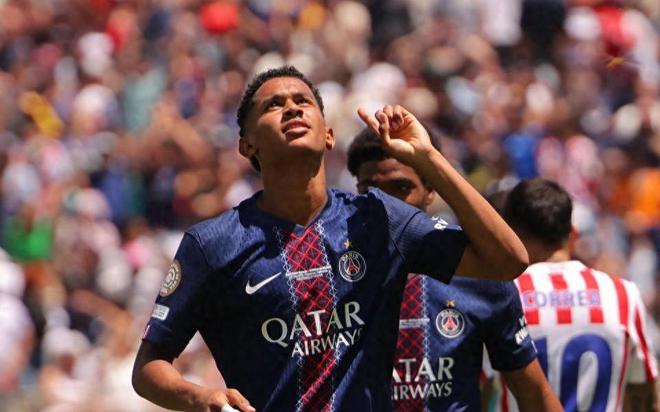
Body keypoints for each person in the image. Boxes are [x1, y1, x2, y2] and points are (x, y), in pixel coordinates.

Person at [132, 65, 529, 412]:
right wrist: (200, 397)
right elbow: (149, 366)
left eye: (303, 101)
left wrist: (427, 157)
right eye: (273, 105)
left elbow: (508, 259)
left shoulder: (378, 220)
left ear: (328, 135)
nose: (291, 108)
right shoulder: (212, 244)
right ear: (247, 145)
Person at [346, 128, 561, 411]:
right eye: (371, 191)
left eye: (402, 188)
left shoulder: (481, 275)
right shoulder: (339, 274)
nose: (387, 205)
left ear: (430, 192)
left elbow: (534, 394)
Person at [496, 178, 658, 412]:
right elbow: (645, 395)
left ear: (510, 234)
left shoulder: (502, 297)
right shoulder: (622, 295)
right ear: (573, 235)